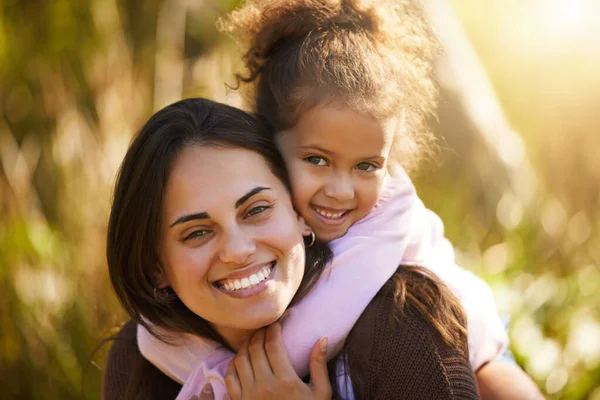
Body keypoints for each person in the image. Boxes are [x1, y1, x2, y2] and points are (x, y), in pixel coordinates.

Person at [137, 1, 542, 399]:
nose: (342, 190)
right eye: (317, 160)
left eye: (367, 166)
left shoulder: (382, 224)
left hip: (472, 335)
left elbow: (306, 336)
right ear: (268, 144)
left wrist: (225, 380)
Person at [102, 97, 479, 399]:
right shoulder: (138, 362)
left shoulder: (405, 323)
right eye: (198, 232)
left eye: (257, 210)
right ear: (156, 268)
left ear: (299, 212)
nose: (238, 250)